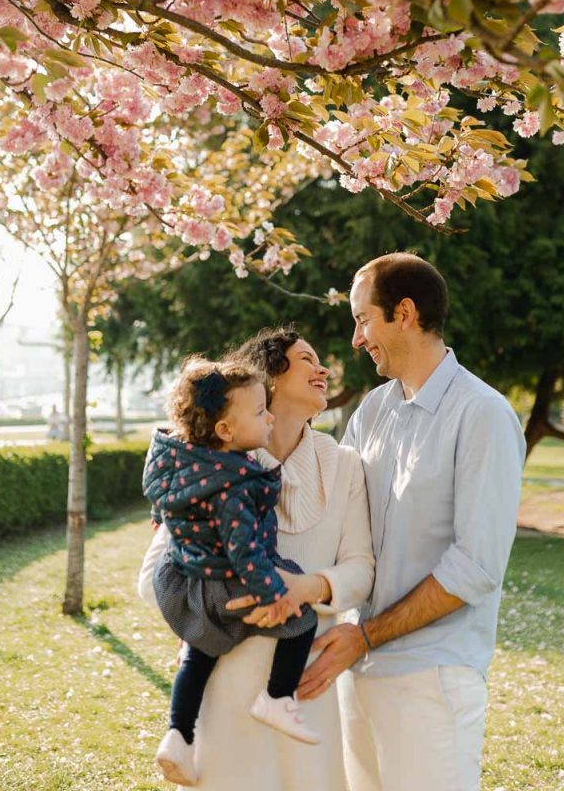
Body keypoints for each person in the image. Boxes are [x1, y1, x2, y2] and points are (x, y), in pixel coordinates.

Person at [298, 252, 526, 791]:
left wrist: (367, 636)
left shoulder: (483, 414)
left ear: (404, 313)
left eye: (362, 320)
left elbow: (475, 567)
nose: (356, 339)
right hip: (355, 670)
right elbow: (327, 511)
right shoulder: (373, 411)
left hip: (431, 680)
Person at [138, 327, 374, 791]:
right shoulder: (206, 469)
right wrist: (226, 598)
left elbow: (361, 569)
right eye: (306, 359)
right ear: (268, 379)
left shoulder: (346, 464)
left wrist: (305, 589)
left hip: (303, 688)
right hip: (224, 682)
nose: (323, 369)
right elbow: (152, 581)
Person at [143, 356, 320, 786]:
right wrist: (276, 595)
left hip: (188, 581)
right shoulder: (232, 487)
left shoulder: (185, 467)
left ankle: (178, 735)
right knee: (304, 620)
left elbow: (163, 508)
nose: (269, 417)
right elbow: (246, 553)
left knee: (197, 656)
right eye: (259, 412)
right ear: (225, 431)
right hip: (227, 583)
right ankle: (278, 697)